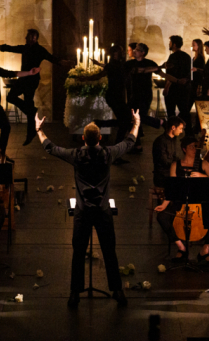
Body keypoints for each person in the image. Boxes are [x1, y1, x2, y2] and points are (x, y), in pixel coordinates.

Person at [36, 109, 141, 308]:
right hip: (102, 212)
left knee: (78, 253)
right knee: (109, 251)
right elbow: (129, 142)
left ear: (83, 138)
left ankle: (74, 294)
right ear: (100, 138)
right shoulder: (108, 153)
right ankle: (118, 291)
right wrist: (136, 123)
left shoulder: (76, 155)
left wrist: (39, 129)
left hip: (83, 213)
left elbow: (51, 148)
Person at [0, 29, 70, 145]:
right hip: (23, 78)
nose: (30, 39)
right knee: (11, 97)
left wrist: (65, 63)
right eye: (29, 37)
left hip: (32, 81)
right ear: (27, 38)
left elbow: (53, 59)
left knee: (27, 103)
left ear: (36, 38)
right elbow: (7, 48)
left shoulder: (40, 50)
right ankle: (31, 114)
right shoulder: (24, 48)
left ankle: (30, 132)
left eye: (32, 37)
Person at [154, 136, 209, 264]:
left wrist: (202, 176)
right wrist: (164, 204)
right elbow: (172, 188)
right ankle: (181, 247)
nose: (195, 149)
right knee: (162, 217)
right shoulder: (175, 165)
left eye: (196, 146)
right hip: (181, 203)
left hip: (201, 204)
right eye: (191, 147)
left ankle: (205, 250)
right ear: (184, 149)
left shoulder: (203, 164)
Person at [126, 43, 162, 152]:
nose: (134, 51)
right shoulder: (130, 63)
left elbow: (161, 74)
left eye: (137, 50)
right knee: (132, 118)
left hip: (145, 95)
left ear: (142, 53)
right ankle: (137, 144)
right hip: (134, 94)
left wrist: (177, 81)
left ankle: (159, 123)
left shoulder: (149, 63)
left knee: (139, 117)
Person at [152, 116, 185, 188]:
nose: (181, 131)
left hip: (170, 171)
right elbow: (164, 161)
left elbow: (174, 156)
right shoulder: (160, 141)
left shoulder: (173, 139)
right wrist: (179, 166)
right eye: (180, 128)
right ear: (173, 127)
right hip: (162, 177)